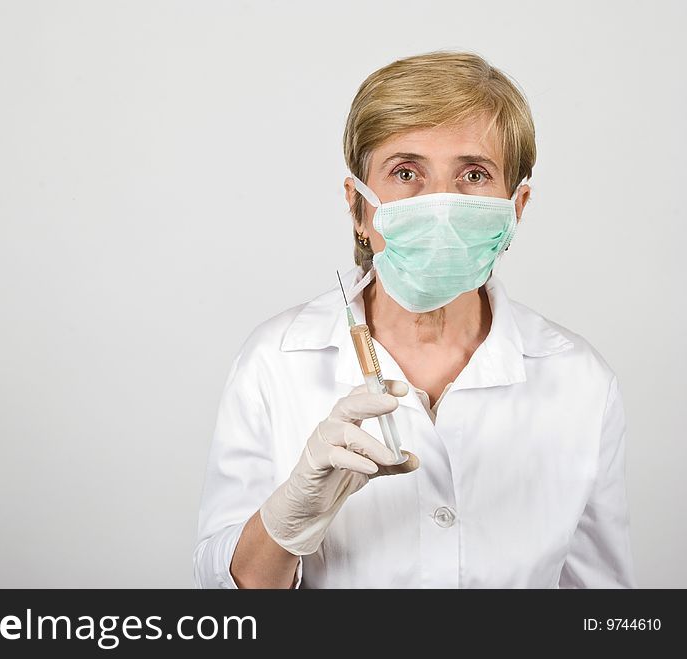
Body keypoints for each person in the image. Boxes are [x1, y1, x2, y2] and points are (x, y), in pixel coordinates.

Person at [193, 51, 636, 589]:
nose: (440, 204)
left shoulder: (580, 380)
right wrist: (287, 524)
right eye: (406, 172)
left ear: (515, 208)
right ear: (358, 207)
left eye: (473, 174)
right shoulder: (274, 362)